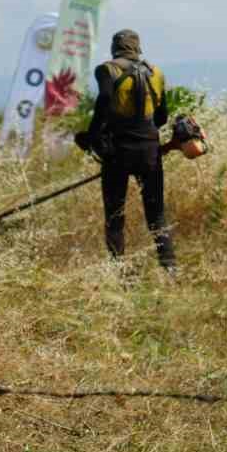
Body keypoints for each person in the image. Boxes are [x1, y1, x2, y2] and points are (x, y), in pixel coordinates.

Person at [77, 29, 176, 276]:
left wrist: (90, 138)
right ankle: (170, 269)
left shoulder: (106, 70)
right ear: (137, 48)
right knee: (156, 213)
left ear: (114, 48)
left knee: (115, 215)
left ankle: (121, 272)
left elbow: (104, 101)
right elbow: (162, 117)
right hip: (150, 152)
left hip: (117, 154)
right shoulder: (157, 73)